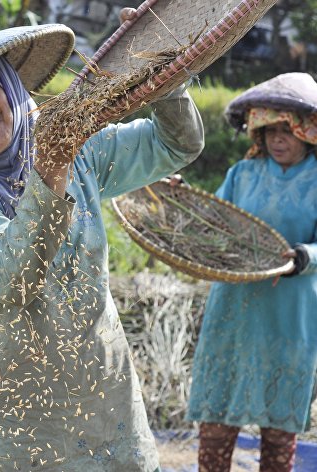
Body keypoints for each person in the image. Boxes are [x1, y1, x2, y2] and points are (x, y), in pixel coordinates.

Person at [0, 10, 204, 471]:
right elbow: (12, 279)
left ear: (9, 86)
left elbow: (175, 147)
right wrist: (50, 171)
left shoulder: (76, 149)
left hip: (103, 395)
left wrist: (163, 77)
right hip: (18, 417)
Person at [185, 72, 317, 472]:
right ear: (257, 133)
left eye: (287, 131)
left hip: (288, 314)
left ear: (308, 132)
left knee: (278, 432)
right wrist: (183, 200)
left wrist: (303, 255)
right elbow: (213, 223)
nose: (278, 140)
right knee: (216, 421)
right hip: (234, 310)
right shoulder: (241, 175)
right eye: (270, 131)